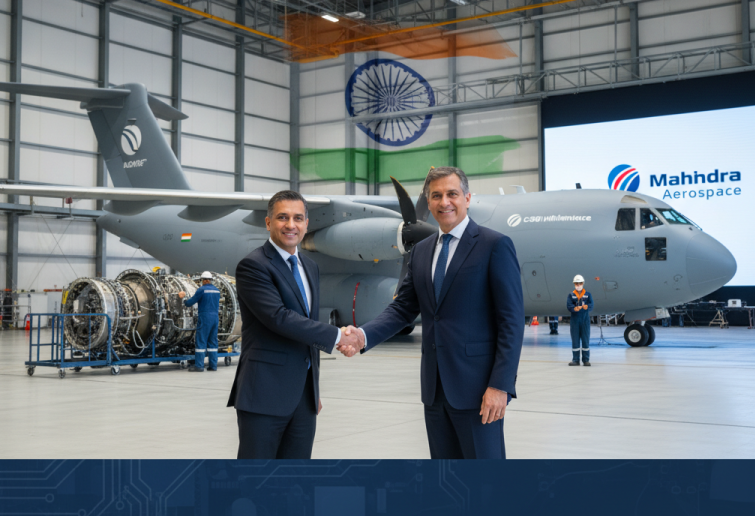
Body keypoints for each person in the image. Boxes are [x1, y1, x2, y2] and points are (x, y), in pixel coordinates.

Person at [339, 166, 525, 460]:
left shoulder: (494, 246)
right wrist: (363, 335)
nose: (444, 202)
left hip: (479, 391)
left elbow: (511, 322)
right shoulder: (422, 251)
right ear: (429, 201)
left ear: (467, 197)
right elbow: (403, 308)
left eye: (452, 194)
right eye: (436, 196)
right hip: (435, 391)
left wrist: (500, 385)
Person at [227, 190, 360, 459]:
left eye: (298, 218)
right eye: (282, 217)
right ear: (268, 222)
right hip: (264, 394)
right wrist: (338, 336)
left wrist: (313, 391)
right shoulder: (253, 266)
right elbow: (279, 317)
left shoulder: (309, 267)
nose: (291, 225)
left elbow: (307, 327)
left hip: (303, 398)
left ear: (306, 224)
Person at [179, 272, 220, 372]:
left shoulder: (202, 290)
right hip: (215, 318)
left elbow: (190, 303)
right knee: (213, 342)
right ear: (210, 280)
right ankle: (213, 366)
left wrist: (183, 298)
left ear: (203, 280)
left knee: (201, 341)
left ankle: (199, 366)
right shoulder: (217, 290)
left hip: (205, 317)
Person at [567, 275, 593, 366]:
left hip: (585, 320)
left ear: (583, 283)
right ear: (574, 284)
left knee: (585, 340)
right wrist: (574, 309)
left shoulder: (588, 294)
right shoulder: (571, 295)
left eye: (580, 283)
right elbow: (569, 306)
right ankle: (576, 360)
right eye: (577, 283)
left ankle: (586, 360)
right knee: (575, 340)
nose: (578, 285)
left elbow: (591, 304)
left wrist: (587, 307)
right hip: (575, 320)